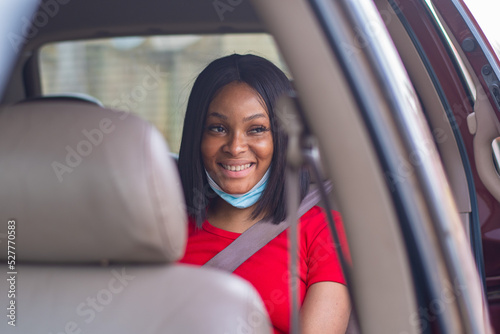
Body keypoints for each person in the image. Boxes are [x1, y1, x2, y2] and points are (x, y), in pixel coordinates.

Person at [178, 54, 350, 333]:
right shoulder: (161, 232)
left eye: (257, 129)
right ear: (197, 136)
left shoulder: (323, 231)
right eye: (218, 128)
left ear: (282, 139)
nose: (235, 147)